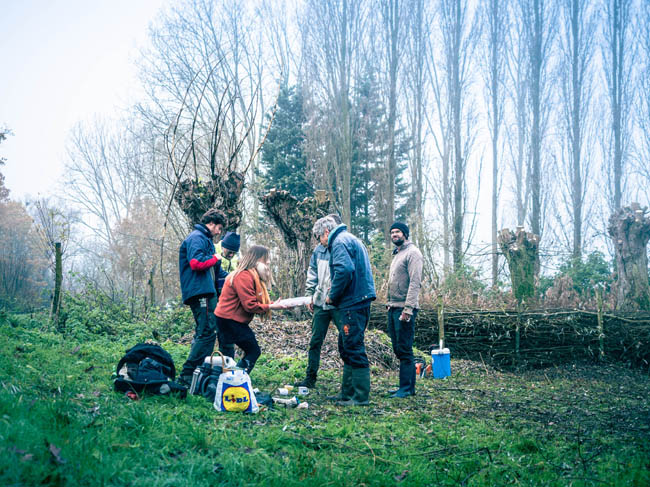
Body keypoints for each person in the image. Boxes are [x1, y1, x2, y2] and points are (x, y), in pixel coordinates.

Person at [318, 217, 376, 406]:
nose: (320, 242)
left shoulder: (339, 242)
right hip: (358, 299)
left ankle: (360, 397)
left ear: (326, 231)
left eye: (319, 237)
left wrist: (332, 295)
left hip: (353, 302)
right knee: (346, 346)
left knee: (353, 346)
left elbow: (344, 271)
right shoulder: (350, 238)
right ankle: (347, 392)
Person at [214, 245, 286, 374]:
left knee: (226, 355)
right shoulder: (244, 276)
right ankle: (238, 379)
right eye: (266, 259)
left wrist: (272, 304)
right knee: (253, 351)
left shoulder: (246, 274)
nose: (268, 262)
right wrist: (270, 307)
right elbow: (250, 305)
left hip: (224, 318)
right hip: (230, 320)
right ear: (257, 259)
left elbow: (252, 300)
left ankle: (223, 382)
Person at [177, 209, 227, 386]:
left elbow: (217, 272)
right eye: (219, 228)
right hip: (199, 292)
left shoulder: (205, 240)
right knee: (207, 332)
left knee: (204, 332)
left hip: (206, 291)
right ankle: (188, 375)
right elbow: (196, 263)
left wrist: (234, 278)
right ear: (211, 223)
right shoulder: (196, 237)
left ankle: (195, 374)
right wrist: (214, 257)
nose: (219, 232)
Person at [294, 214, 342, 389]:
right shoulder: (318, 251)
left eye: (319, 236)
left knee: (345, 340)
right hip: (321, 303)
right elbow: (312, 274)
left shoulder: (341, 247)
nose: (319, 240)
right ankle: (310, 377)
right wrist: (309, 295)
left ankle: (348, 381)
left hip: (338, 304)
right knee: (315, 341)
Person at [386, 222, 423, 398]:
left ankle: (407, 388)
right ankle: (403, 386)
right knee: (398, 348)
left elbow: (415, 283)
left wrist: (408, 309)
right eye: (392, 232)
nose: (394, 235)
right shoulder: (398, 254)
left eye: (398, 232)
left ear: (405, 234)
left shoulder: (413, 253)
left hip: (404, 309)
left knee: (405, 349)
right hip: (393, 307)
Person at [215, 231, 240, 295]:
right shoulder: (213, 251)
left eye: (234, 253)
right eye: (229, 252)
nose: (231, 255)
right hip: (214, 290)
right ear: (223, 247)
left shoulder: (237, 257)